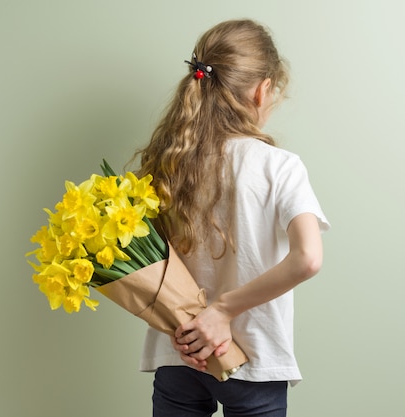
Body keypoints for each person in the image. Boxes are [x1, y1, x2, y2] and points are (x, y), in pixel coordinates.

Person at [135, 19, 330, 417]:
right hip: (254, 357)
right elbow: (308, 258)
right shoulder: (280, 166)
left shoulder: (168, 165)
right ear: (262, 91)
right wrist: (222, 311)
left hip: (180, 350)